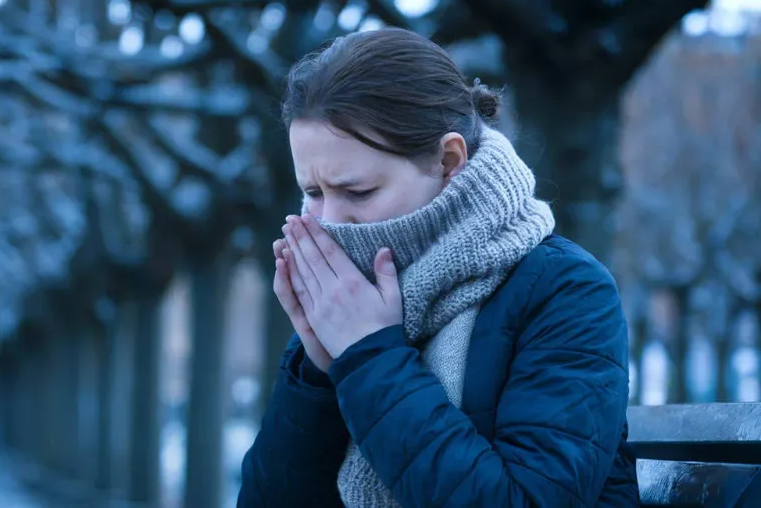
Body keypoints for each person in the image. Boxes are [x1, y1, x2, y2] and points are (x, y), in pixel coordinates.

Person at [237, 27, 638, 507]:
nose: (329, 223)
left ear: (449, 159)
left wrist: (367, 358)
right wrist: (318, 372)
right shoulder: (354, 303)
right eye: (315, 194)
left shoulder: (567, 291)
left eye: (357, 192)